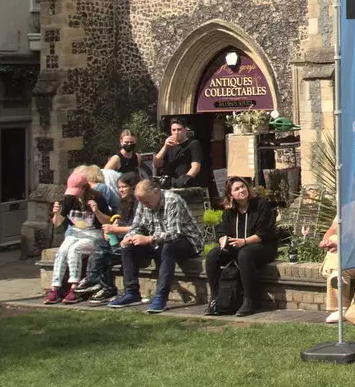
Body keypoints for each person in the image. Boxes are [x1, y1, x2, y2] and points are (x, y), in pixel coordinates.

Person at [109, 178, 202, 313]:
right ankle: (131, 292)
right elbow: (137, 226)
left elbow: (174, 233)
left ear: (156, 192)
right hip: (157, 241)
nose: (144, 205)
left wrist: (148, 239)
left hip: (186, 242)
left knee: (168, 247)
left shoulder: (172, 201)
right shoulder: (143, 203)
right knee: (127, 247)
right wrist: (129, 238)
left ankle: (160, 296)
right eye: (141, 202)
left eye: (146, 201)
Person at [204, 177, 282, 317]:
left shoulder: (261, 204)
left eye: (243, 187)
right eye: (237, 189)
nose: (242, 190)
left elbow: (265, 232)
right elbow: (222, 230)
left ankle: (249, 299)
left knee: (245, 254)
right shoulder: (229, 211)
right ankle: (216, 298)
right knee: (213, 255)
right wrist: (223, 239)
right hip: (238, 246)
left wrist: (244, 241)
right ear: (230, 195)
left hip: (262, 246)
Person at [46, 168, 107, 305]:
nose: (74, 195)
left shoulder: (97, 197)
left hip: (93, 234)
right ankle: (55, 287)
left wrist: (96, 211)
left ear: (85, 187)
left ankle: (74, 287)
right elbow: (57, 224)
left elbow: (107, 222)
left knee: (75, 250)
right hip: (75, 233)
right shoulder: (69, 199)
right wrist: (55, 213)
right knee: (62, 251)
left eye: (77, 190)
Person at [81, 173, 139, 302]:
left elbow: (139, 227)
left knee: (104, 254)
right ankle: (95, 282)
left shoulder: (139, 204)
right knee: (99, 243)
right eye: (119, 187)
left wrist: (115, 229)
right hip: (119, 240)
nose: (120, 190)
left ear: (133, 187)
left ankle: (98, 283)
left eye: (124, 187)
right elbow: (116, 220)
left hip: (134, 244)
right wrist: (110, 229)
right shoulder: (123, 203)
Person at [153, 119, 210, 199]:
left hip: (185, 186)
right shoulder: (168, 145)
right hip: (169, 187)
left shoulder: (193, 144)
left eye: (179, 129)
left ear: (185, 130)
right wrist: (165, 147)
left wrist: (183, 181)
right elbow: (156, 164)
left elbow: (196, 167)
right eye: (174, 130)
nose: (176, 132)